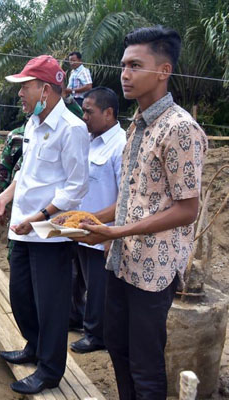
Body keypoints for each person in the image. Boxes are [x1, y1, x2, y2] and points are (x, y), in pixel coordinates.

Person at [75, 26, 208, 399]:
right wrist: (91, 220)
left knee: (145, 366)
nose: (125, 74)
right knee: (118, 350)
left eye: (135, 65)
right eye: (123, 65)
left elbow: (187, 209)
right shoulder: (136, 124)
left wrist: (116, 232)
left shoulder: (180, 128)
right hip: (122, 261)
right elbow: (135, 199)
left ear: (163, 71)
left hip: (155, 268)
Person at [0, 55, 89, 395]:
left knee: (52, 304)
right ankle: (33, 345)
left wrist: (41, 217)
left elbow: (76, 187)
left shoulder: (72, 129)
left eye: (24, 87)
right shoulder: (32, 124)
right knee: (22, 296)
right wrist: (5, 198)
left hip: (50, 232)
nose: (20, 95)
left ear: (45, 90)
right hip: (23, 227)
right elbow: (25, 174)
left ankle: (49, 369)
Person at [68, 87, 126, 354]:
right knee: (80, 279)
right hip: (82, 228)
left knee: (99, 287)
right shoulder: (90, 140)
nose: (84, 117)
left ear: (109, 113)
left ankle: (96, 335)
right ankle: (79, 320)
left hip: (102, 231)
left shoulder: (121, 146)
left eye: (89, 112)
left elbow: (125, 199)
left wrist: (108, 232)